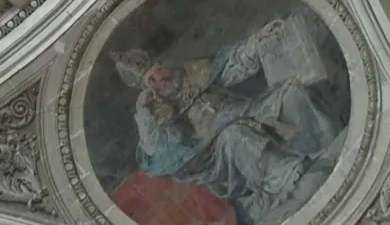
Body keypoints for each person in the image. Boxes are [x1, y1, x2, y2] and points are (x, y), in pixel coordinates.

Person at [108, 14, 345, 225]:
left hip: (253, 113)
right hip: (221, 154)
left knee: (290, 92)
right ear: (147, 88)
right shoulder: (159, 115)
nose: (158, 78)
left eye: (157, 70)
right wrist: (144, 112)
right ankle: (286, 179)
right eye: (151, 79)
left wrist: (257, 40)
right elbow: (155, 149)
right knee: (236, 135)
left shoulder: (193, 74)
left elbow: (233, 64)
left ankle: (323, 142)